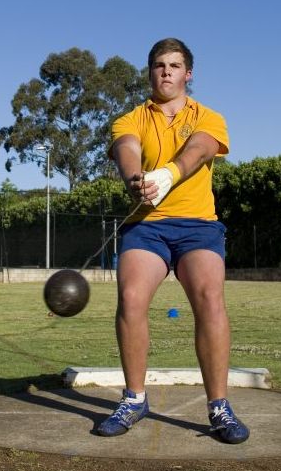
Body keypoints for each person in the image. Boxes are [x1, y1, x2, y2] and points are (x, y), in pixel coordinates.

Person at [96, 38, 249, 444]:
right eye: (159, 65)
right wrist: (135, 179)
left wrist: (167, 174)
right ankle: (134, 400)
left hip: (198, 226)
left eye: (175, 65)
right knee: (131, 297)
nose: (166, 71)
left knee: (210, 298)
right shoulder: (130, 119)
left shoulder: (209, 117)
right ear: (150, 72)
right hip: (147, 226)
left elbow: (201, 148)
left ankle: (219, 406)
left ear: (188, 74)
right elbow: (126, 150)